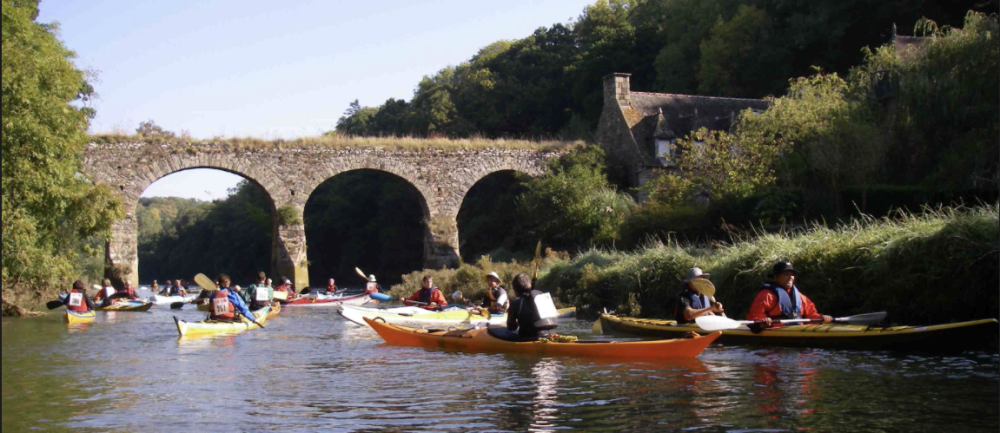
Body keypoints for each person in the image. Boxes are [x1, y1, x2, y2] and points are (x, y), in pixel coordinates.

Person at [746, 261, 832, 329]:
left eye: (792, 275)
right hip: (776, 332)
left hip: (798, 330)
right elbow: (754, 316)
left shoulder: (800, 296)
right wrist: (762, 322)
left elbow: (811, 315)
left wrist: (822, 318)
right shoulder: (766, 295)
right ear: (775, 277)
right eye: (786, 274)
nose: (790, 277)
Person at [507, 273, 558, 340]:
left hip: (531, 338)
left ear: (514, 289)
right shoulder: (541, 296)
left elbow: (511, 327)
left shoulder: (516, 302)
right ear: (530, 285)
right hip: (552, 335)